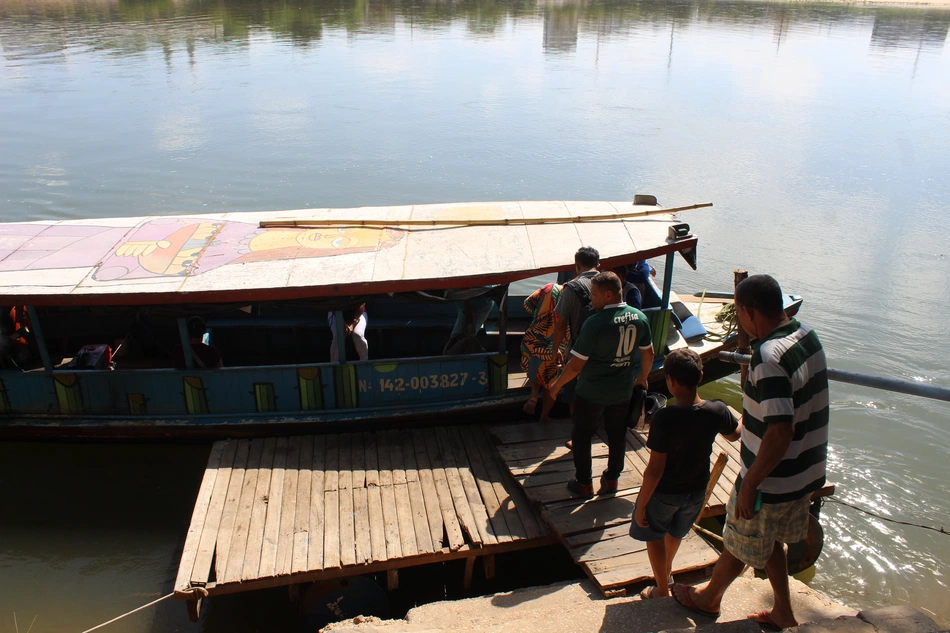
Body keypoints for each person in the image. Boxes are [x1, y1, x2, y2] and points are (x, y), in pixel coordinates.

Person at [671, 274, 829, 631]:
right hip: (805, 470)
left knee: (741, 534)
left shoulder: (768, 357)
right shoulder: (806, 336)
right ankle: (783, 612)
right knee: (765, 537)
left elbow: (780, 429)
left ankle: (709, 598)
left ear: (748, 312)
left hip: (772, 477)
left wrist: (751, 483)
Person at [630, 348, 741, 600]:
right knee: (676, 532)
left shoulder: (664, 417)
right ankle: (667, 572)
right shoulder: (718, 410)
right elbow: (735, 434)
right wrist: (748, 418)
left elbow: (655, 470)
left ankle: (661, 589)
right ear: (701, 377)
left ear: (669, 380)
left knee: (655, 537)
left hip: (665, 493)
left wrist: (641, 504)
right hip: (696, 492)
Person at [548, 271, 654, 498]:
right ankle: (612, 480)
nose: (590, 299)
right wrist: (643, 377)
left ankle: (584, 483)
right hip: (622, 391)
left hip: (591, 392)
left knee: (582, 435)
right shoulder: (639, 318)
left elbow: (576, 366)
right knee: (617, 436)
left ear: (608, 295)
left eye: (594, 295)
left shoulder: (594, 323)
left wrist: (557, 386)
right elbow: (649, 353)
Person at [549, 246, 601, 410]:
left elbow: (561, 325)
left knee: (576, 397)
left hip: (579, 350)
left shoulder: (572, 288)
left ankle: (578, 429)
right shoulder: (610, 284)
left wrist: (555, 349)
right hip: (606, 349)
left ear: (577, 266)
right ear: (598, 265)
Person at [520, 281, 568, 422]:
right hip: (557, 345)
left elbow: (527, 305)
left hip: (533, 340)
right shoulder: (575, 298)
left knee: (536, 368)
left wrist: (540, 313)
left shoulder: (548, 288)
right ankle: (544, 415)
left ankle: (533, 396)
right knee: (551, 380)